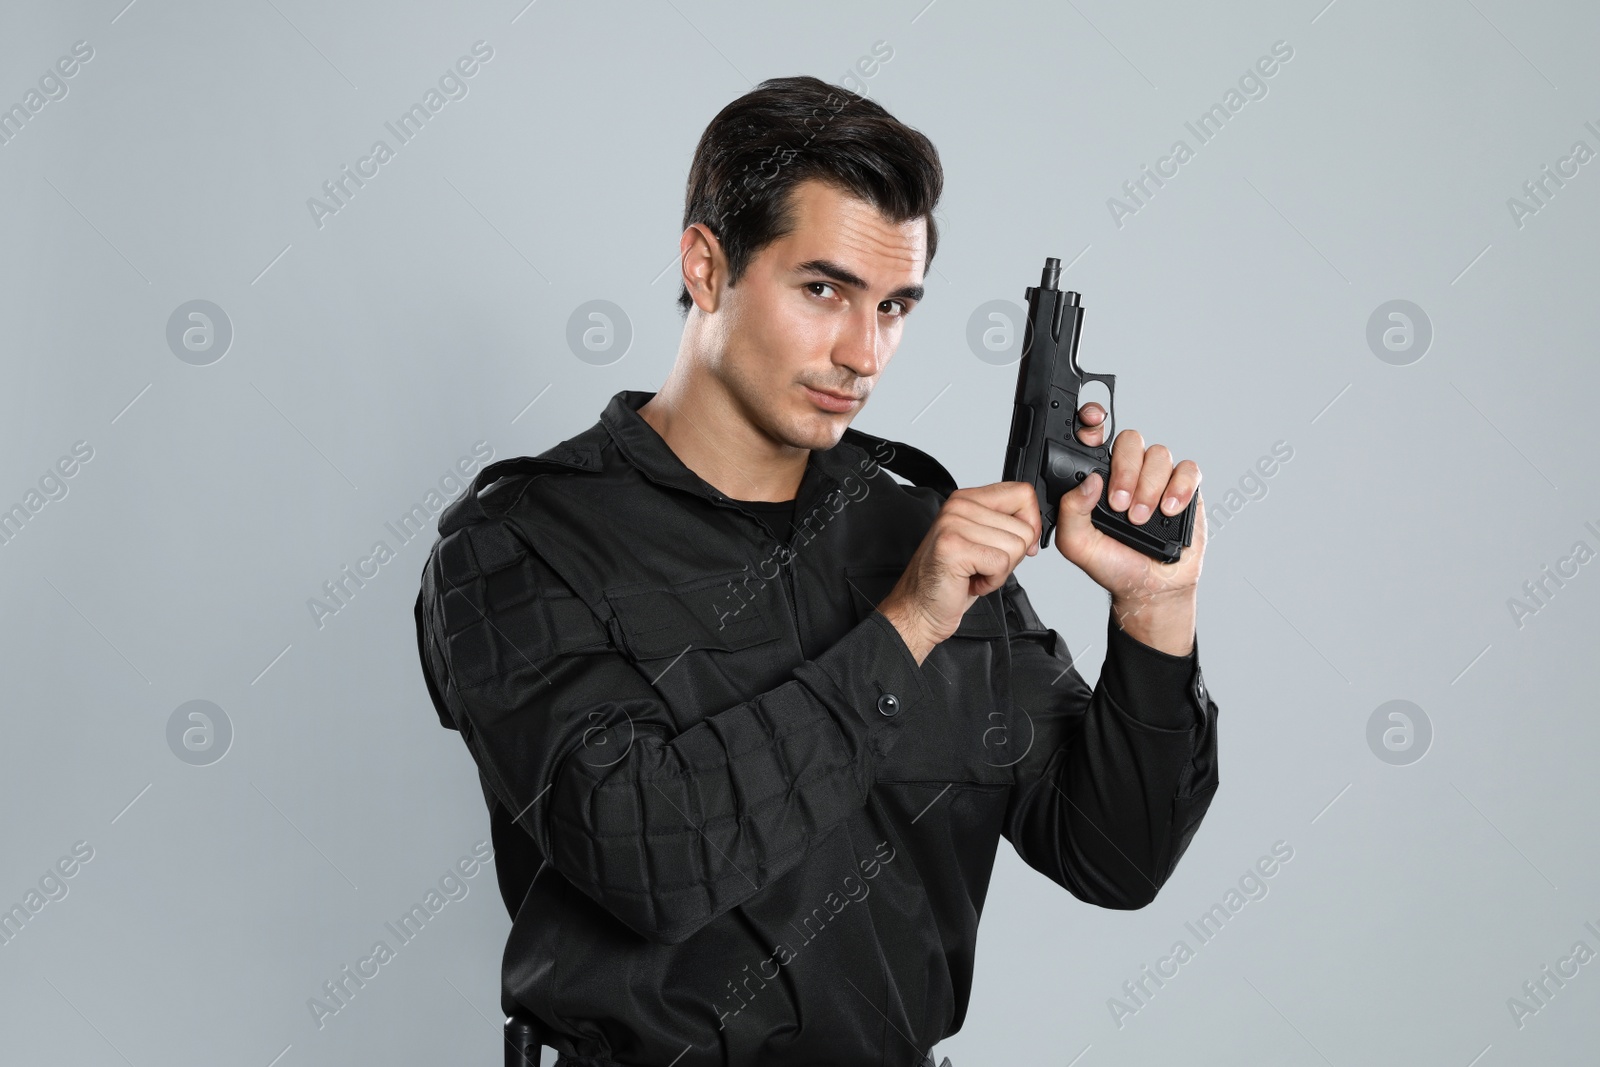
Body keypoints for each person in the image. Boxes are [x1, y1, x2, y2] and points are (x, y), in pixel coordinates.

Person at [414, 74, 1218, 1067]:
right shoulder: (519, 546)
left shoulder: (915, 527)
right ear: (706, 268)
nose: (862, 350)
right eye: (823, 289)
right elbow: (651, 859)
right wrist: (906, 626)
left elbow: (1114, 854)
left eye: (894, 305)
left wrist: (1154, 612)